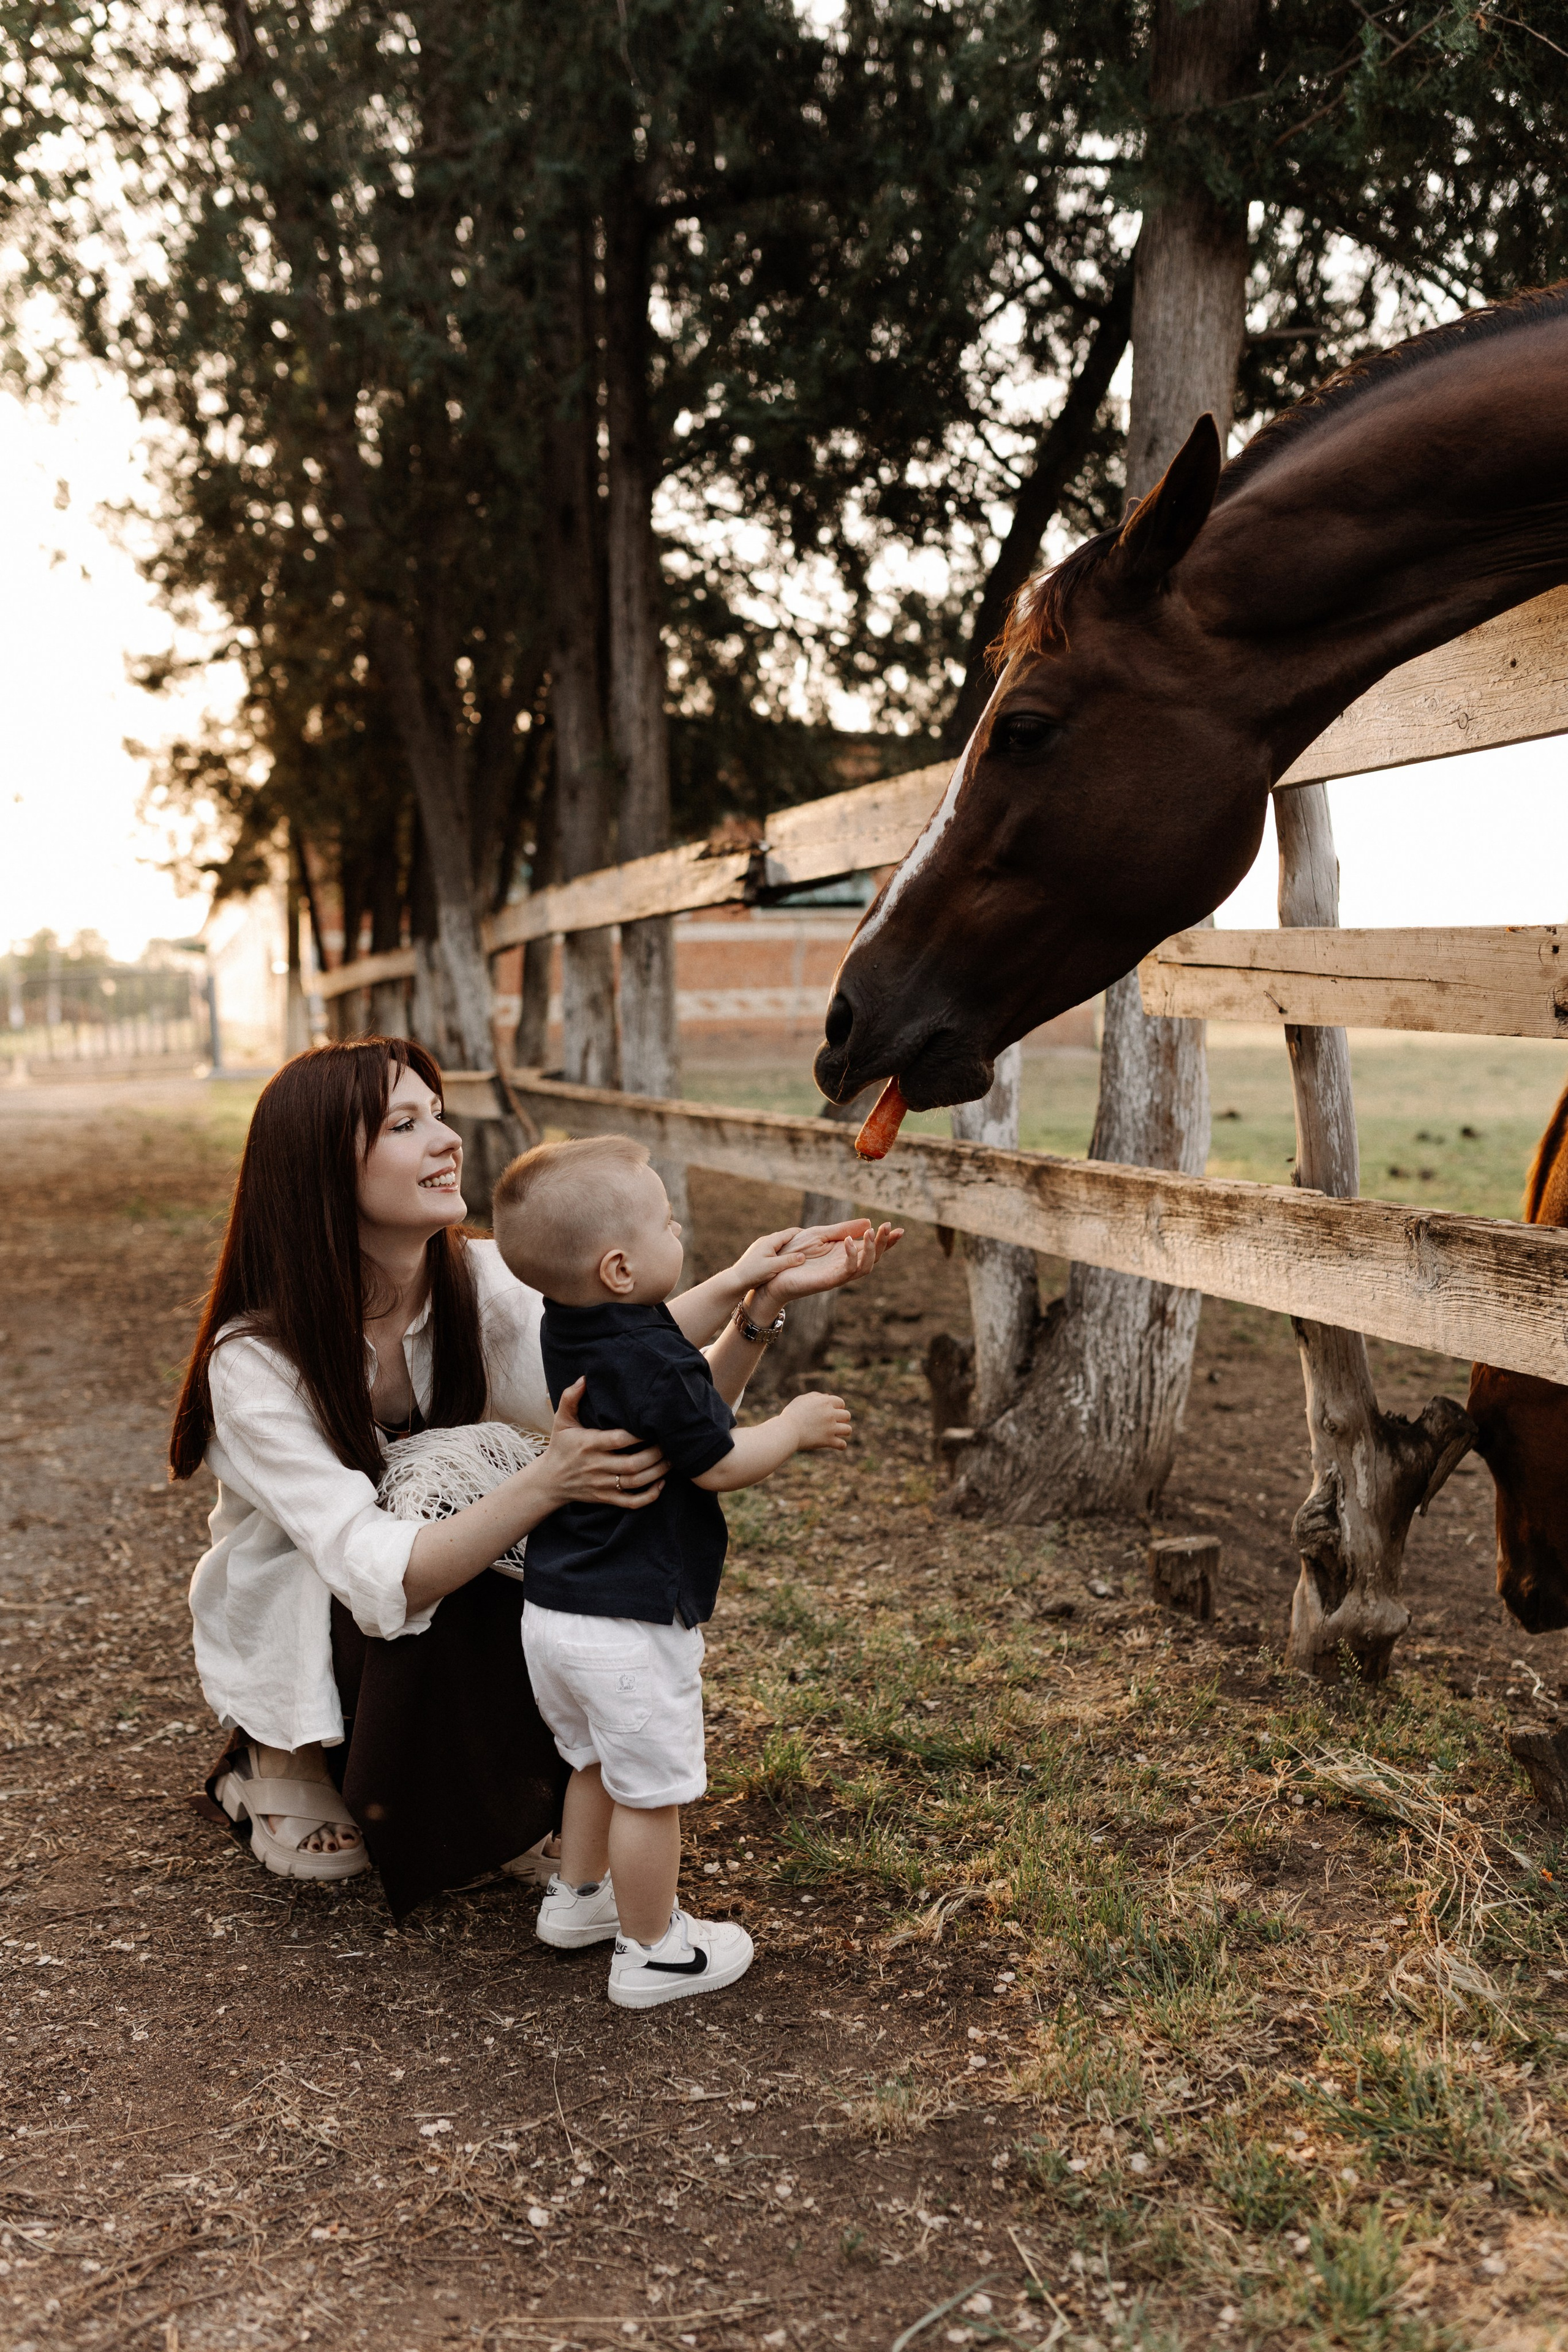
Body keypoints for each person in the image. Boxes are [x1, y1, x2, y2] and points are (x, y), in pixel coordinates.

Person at [171, 1037, 899, 1918]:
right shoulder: (253, 1360)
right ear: (322, 1169)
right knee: (448, 1481)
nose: (447, 1141)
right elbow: (374, 1568)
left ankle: (480, 1783)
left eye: (438, 1115)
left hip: (453, 1584)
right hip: (317, 1604)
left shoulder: (476, 1279)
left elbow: (640, 1367)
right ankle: (276, 1752)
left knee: (494, 1498)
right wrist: (547, 1482)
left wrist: (755, 1290)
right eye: (407, 1124)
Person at [491, 1134, 854, 2008]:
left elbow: (673, 1341)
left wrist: (745, 1286)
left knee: (591, 1765)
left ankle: (579, 1902)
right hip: (628, 1616)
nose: (678, 1222)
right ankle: (655, 1951)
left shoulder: (573, 1323)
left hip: (557, 1608)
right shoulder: (648, 1356)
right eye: (664, 1218)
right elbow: (720, 1459)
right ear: (619, 1267)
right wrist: (796, 1426)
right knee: (651, 1792)